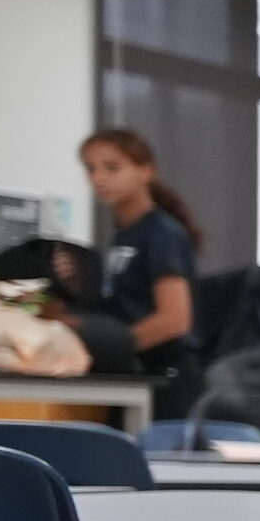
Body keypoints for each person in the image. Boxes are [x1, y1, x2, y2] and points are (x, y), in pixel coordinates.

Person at [68, 128, 201, 388]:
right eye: (91, 168)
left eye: (111, 168)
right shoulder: (124, 235)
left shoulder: (162, 233)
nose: (98, 178)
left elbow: (175, 321)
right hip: (135, 371)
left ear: (146, 171)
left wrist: (114, 349)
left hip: (167, 377)